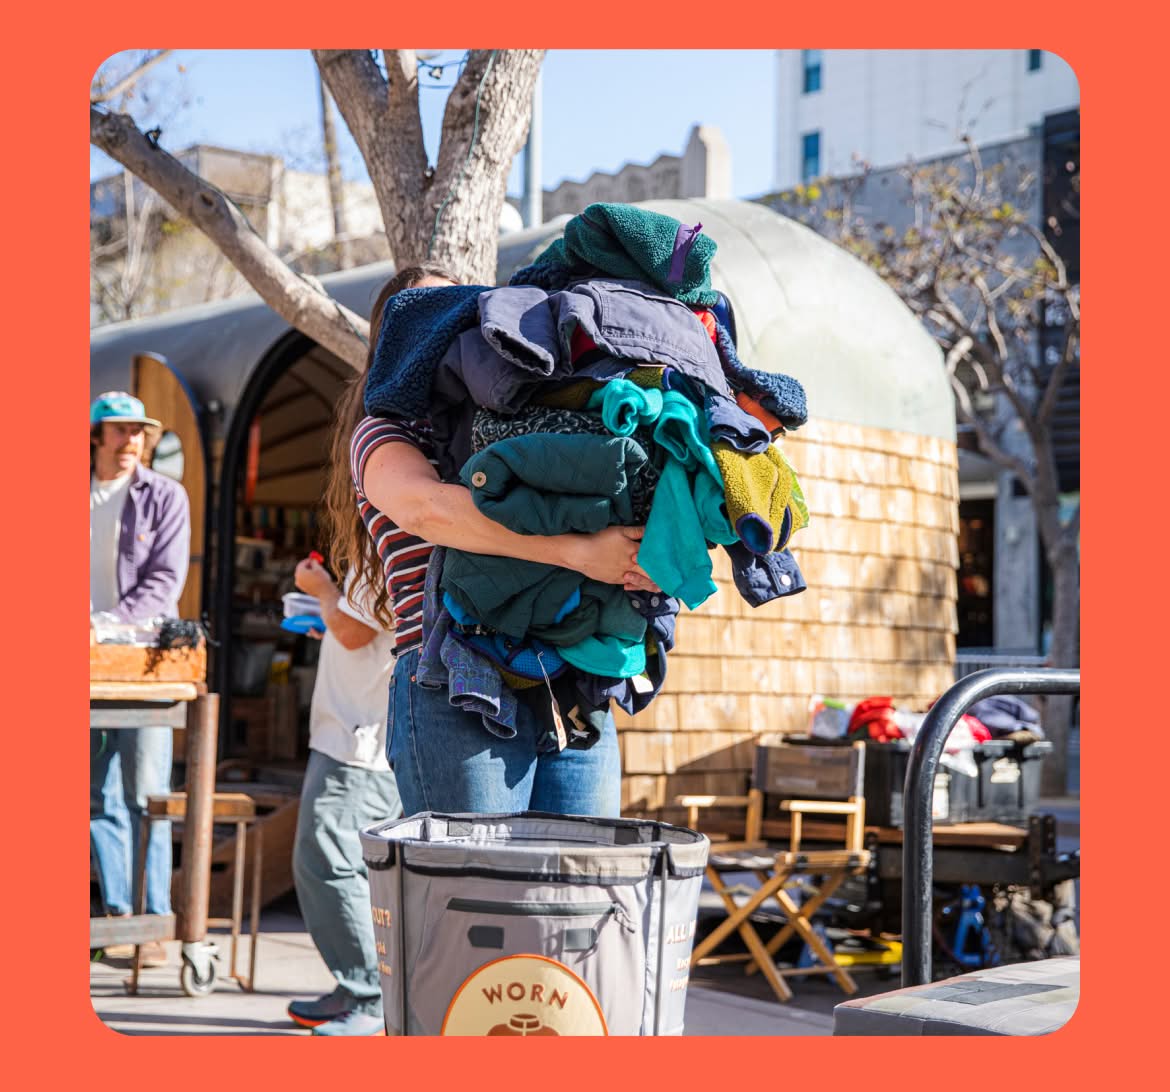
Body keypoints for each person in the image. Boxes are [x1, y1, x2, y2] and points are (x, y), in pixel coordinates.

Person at [331, 264, 660, 819]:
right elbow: (429, 509)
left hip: (571, 683)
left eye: (456, 309)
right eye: (417, 315)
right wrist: (581, 553)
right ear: (387, 341)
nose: (437, 325)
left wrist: (643, 554)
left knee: (579, 895)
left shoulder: (521, 418)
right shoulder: (382, 431)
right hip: (452, 686)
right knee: (477, 898)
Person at [89, 392, 191, 966]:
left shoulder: (165, 495)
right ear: (96, 436)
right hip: (84, 668)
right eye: (118, 430)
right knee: (97, 797)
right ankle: (119, 917)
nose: (129, 441)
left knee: (149, 793)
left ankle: (154, 922)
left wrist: (101, 624)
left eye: (138, 432)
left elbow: (164, 582)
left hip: (145, 663)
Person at [285, 553, 401, 1037]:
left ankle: (371, 996)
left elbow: (356, 630)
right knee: (332, 864)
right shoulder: (377, 537)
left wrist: (322, 590)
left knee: (328, 864)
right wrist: (327, 613)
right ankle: (356, 986)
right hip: (350, 736)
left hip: (359, 743)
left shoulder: (385, 536)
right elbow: (355, 629)